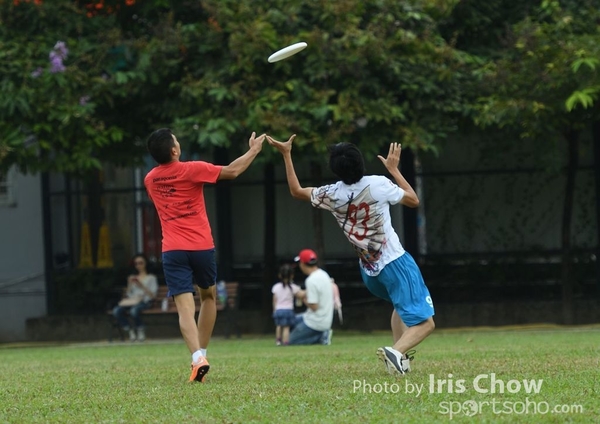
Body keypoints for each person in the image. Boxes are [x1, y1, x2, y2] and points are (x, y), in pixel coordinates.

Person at [268, 135, 435, 375]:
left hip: (370, 271)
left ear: (336, 170)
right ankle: (396, 351)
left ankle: (400, 361)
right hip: (395, 263)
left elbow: (296, 191)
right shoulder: (378, 184)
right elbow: (413, 199)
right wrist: (394, 170)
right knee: (426, 323)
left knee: (399, 306)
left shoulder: (332, 193)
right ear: (360, 162)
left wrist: (286, 154)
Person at [144, 128, 266, 383]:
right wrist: (253, 150)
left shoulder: (150, 180)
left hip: (173, 250)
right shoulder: (192, 169)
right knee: (208, 297)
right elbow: (232, 171)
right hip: (201, 247)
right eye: (177, 141)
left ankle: (197, 358)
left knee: (184, 308)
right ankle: (203, 354)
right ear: (174, 150)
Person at [288, 249, 334, 345]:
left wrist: (302, 298)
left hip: (315, 322)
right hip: (325, 320)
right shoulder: (323, 274)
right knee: (289, 321)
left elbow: (314, 307)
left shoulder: (311, 280)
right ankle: (322, 334)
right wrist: (304, 293)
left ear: (302, 264)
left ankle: (321, 337)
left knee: (291, 341)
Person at [112, 254, 158, 342]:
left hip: (145, 301)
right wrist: (129, 284)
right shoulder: (133, 277)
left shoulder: (151, 278)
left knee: (134, 311)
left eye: (141, 263)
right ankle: (129, 329)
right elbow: (129, 294)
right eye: (136, 264)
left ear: (146, 263)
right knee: (116, 311)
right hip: (132, 301)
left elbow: (153, 295)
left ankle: (140, 330)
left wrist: (141, 285)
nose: (138, 266)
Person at [271, 264, 300, 346]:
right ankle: (285, 342)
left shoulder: (276, 287)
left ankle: (278, 341)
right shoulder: (293, 287)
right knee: (286, 327)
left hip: (278, 309)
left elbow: (274, 299)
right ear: (292, 276)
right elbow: (299, 295)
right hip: (288, 310)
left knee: (278, 326)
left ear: (280, 275)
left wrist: (274, 309)